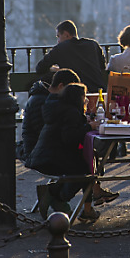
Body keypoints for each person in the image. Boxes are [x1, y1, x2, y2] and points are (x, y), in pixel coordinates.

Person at [26, 81, 102, 222]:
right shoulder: (71, 112)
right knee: (84, 170)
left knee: (86, 161)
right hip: (51, 158)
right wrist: (88, 127)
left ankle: (87, 207)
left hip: (45, 154)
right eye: (84, 96)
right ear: (76, 98)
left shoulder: (59, 108)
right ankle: (56, 194)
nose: (85, 100)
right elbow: (70, 138)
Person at [20, 68, 80, 161]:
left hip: (43, 151)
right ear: (61, 86)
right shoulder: (41, 102)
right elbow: (45, 133)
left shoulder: (45, 99)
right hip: (37, 153)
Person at [36, 20, 108, 93]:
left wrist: (55, 69)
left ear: (66, 34)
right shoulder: (93, 44)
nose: (58, 41)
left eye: (58, 36)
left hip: (77, 95)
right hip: (100, 92)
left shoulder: (60, 49)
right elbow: (102, 66)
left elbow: (40, 68)